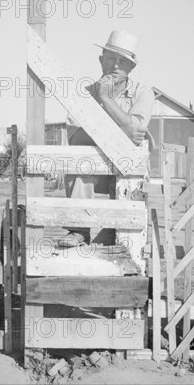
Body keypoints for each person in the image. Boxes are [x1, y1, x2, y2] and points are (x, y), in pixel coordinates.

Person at [64, 30, 155, 243]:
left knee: (116, 236)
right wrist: (123, 128)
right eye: (111, 58)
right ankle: (79, 230)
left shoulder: (143, 92)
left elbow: (135, 136)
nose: (115, 65)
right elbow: (76, 138)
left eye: (122, 61)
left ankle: (112, 235)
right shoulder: (83, 95)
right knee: (81, 165)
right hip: (96, 172)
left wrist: (105, 98)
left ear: (131, 67)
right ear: (100, 59)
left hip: (129, 173)